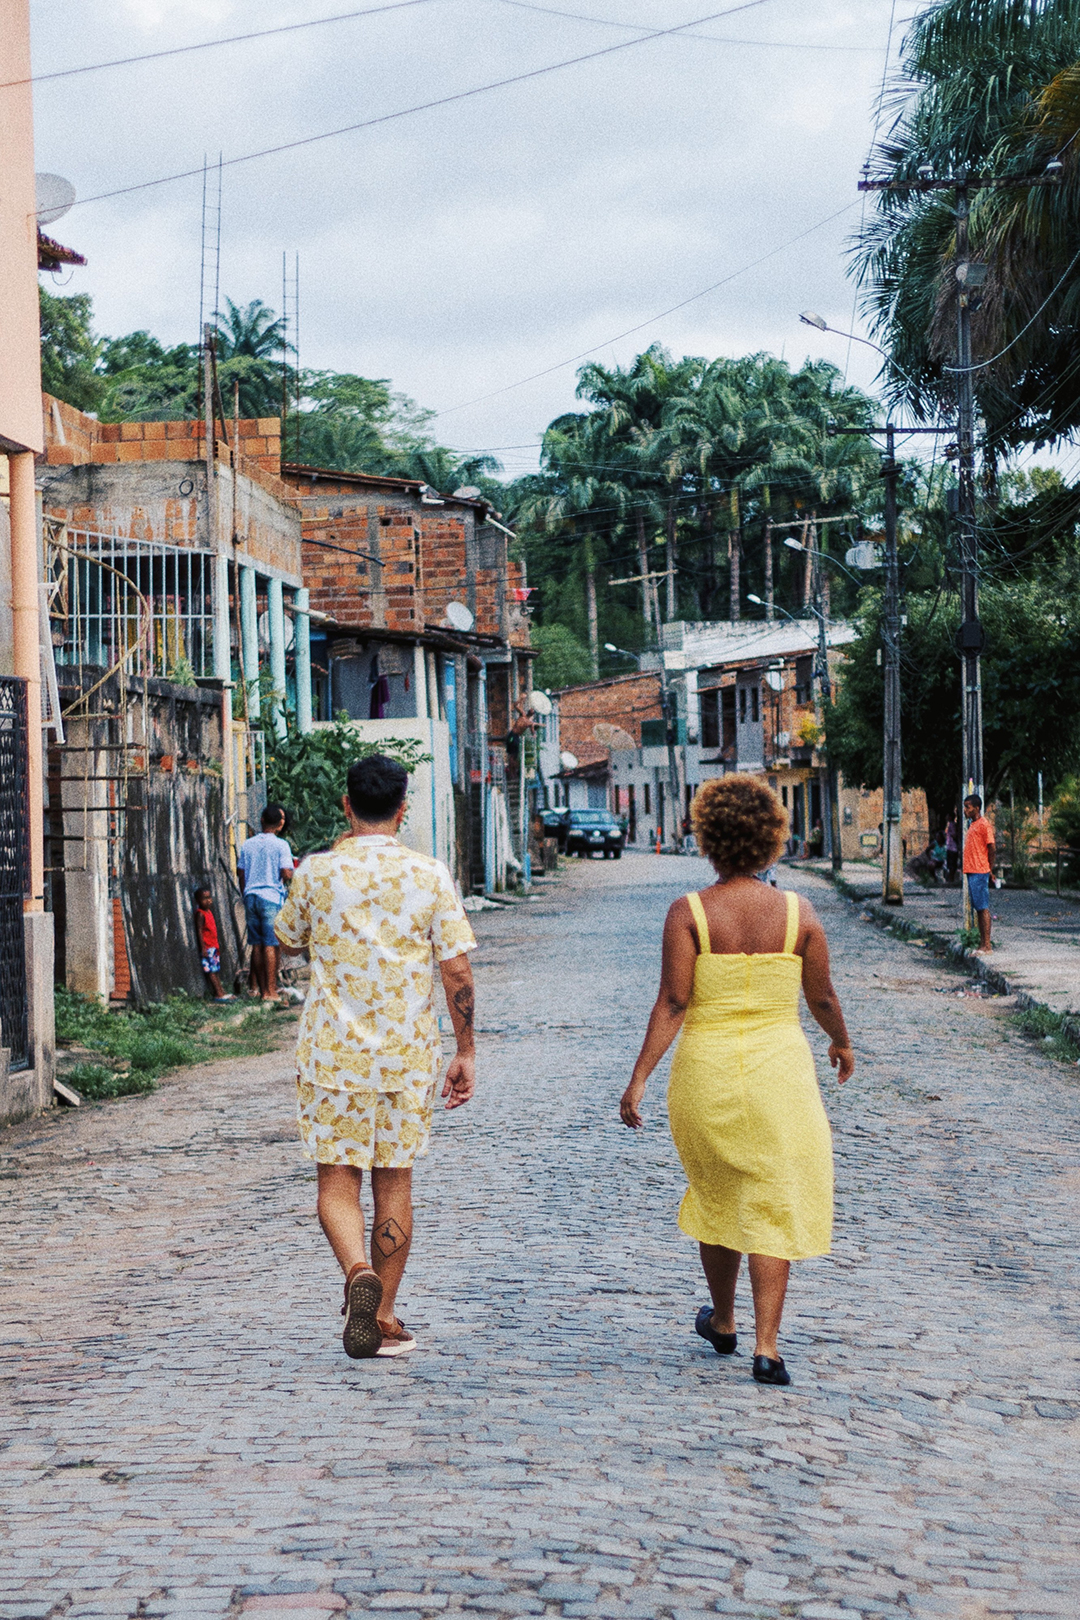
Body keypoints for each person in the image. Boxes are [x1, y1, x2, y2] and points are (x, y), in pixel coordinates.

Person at [620, 774, 854, 1387]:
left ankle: (722, 1319)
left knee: (718, 1194)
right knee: (772, 1197)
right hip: (781, 1074)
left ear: (709, 839)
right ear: (773, 840)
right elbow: (822, 995)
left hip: (708, 1074)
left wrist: (639, 1079)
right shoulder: (799, 913)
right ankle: (767, 1346)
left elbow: (672, 1002)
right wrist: (842, 1042)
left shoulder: (689, 912)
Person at [274, 753, 477, 1360]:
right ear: (403, 808)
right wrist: (465, 1049)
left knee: (336, 1182)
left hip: (330, 1055)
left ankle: (357, 1270)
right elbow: (457, 970)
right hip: (406, 1058)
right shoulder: (430, 875)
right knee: (395, 1181)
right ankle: (383, 1311)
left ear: (346, 805)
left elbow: (285, 940)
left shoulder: (315, 872)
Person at [238, 805, 294, 1003]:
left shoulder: (247, 844)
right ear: (280, 825)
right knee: (271, 944)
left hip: (251, 896)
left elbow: (241, 873)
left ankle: (262, 990)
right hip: (271, 897)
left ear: (261, 820)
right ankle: (271, 991)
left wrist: (246, 893)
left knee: (257, 945)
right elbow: (286, 873)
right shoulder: (281, 845)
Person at [963, 794, 997, 953]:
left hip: (980, 870)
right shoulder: (972, 825)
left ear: (977, 808)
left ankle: (987, 945)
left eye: (968, 807)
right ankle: (982, 944)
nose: (965, 810)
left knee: (983, 908)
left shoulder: (984, 825)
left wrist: (990, 869)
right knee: (978, 907)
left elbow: (992, 848)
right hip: (972, 870)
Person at [194, 886, 234, 1002]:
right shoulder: (200, 914)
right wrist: (203, 948)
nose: (208, 901)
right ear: (198, 901)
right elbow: (199, 932)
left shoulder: (209, 912)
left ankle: (221, 991)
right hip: (208, 947)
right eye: (204, 898)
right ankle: (219, 993)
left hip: (214, 946)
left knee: (215, 970)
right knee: (211, 971)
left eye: (209, 897)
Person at [944, 815, 960, 883]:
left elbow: (954, 834)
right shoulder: (949, 824)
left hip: (952, 847)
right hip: (949, 846)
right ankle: (950, 878)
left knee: (952, 864)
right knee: (950, 864)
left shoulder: (952, 825)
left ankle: (951, 878)